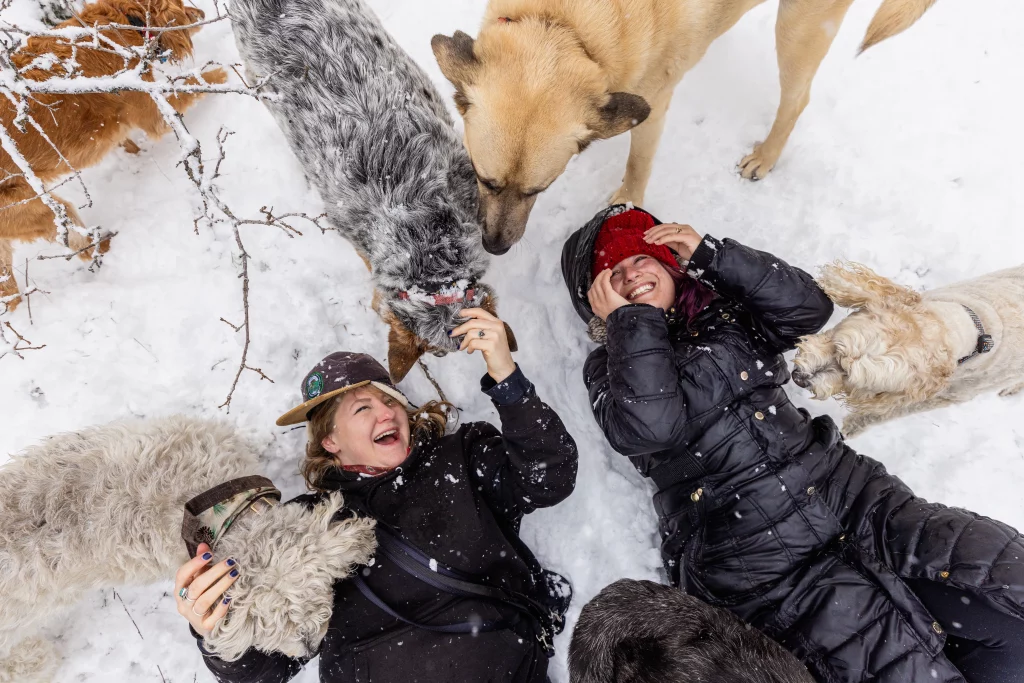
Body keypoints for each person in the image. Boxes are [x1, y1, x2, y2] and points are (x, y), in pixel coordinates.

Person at [561, 206, 1024, 683]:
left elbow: (809, 310)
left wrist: (713, 256)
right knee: (897, 666)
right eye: (612, 272)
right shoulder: (609, 368)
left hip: (854, 498)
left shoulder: (724, 318)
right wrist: (631, 323)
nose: (632, 273)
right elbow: (651, 427)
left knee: (1006, 581)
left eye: (642, 258)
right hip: (761, 562)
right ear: (597, 300)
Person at [173, 307, 579, 683]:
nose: (386, 413)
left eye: (390, 401)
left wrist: (507, 379)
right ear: (330, 440)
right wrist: (215, 629)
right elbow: (266, 667)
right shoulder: (301, 524)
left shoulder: (462, 454)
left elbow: (551, 476)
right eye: (362, 408)